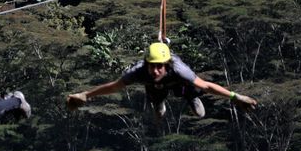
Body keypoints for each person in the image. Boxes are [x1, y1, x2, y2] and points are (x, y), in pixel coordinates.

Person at [66, 42, 257, 119]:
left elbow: (206, 85)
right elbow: (115, 86)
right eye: (152, 65)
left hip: (179, 84)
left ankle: (191, 98)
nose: (155, 69)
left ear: (166, 64)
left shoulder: (179, 70)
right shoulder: (139, 72)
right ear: (146, 63)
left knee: (189, 89)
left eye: (159, 66)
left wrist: (235, 96)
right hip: (155, 88)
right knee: (156, 94)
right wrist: (86, 95)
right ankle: (159, 102)